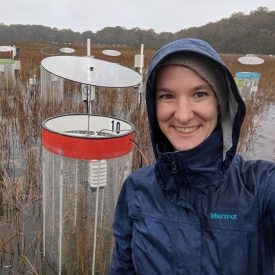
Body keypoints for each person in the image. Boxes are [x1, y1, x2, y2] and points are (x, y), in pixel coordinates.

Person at [108, 38, 275, 275]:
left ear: (221, 102)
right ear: (153, 106)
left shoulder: (261, 187)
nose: (184, 116)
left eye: (199, 94)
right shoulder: (136, 188)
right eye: (167, 96)